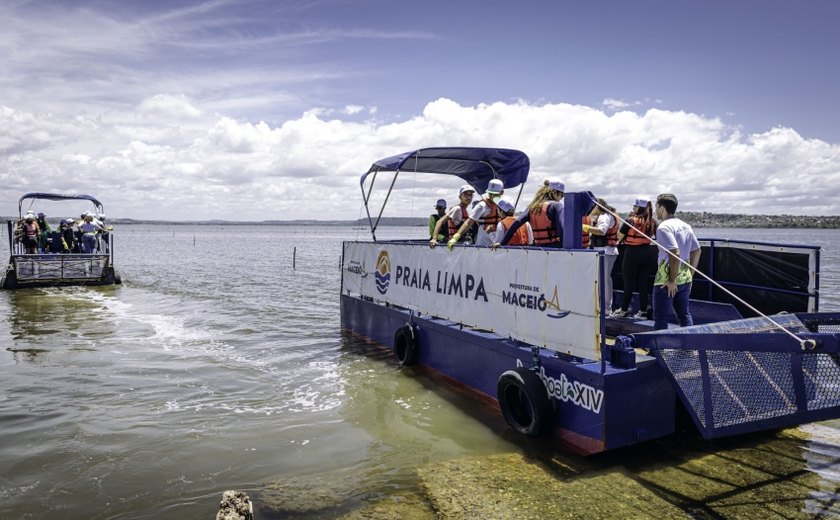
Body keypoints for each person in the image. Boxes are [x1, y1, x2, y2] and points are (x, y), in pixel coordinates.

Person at [652, 193, 701, 330]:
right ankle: (690, 348)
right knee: (684, 317)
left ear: (662, 208)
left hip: (666, 280)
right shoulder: (686, 226)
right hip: (685, 279)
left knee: (661, 318)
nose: (656, 211)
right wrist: (690, 274)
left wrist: (672, 280)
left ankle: (657, 350)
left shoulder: (663, 227)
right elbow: (697, 250)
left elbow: (674, 252)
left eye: (656, 207)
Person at [613, 197, 658, 318]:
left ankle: (624, 310)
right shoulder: (652, 222)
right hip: (646, 253)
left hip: (631, 254)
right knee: (643, 283)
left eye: (635, 206)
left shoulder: (630, 220)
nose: (633, 208)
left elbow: (619, 236)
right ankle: (643, 311)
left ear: (639, 208)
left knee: (628, 284)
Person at [495, 178, 564, 248]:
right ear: (554, 192)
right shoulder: (557, 206)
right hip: (553, 248)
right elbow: (561, 230)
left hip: (537, 249)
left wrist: (502, 242)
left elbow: (517, 222)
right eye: (562, 195)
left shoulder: (532, 207)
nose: (561, 198)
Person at [445, 179, 504, 249]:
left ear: (502, 193)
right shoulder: (482, 205)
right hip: (483, 244)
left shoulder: (503, 205)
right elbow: (468, 222)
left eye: (495, 194)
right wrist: (455, 237)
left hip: (497, 242)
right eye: (490, 193)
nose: (492, 196)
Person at [585, 198, 620, 313]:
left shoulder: (604, 216)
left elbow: (602, 231)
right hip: (604, 251)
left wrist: (584, 227)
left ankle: (605, 308)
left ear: (597, 207)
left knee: (604, 280)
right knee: (602, 280)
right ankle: (602, 306)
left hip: (606, 252)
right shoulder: (604, 215)